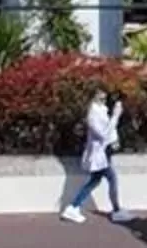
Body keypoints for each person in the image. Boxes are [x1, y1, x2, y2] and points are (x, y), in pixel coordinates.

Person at [58, 89, 121, 224]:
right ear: (94, 97)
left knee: (95, 181)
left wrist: (114, 140)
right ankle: (116, 211)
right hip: (99, 155)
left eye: (105, 98)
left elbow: (109, 130)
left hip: (103, 153)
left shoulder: (102, 110)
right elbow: (103, 133)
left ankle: (73, 207)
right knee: (111, 179)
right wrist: (115, 116)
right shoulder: (93, 115)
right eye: (100, 98)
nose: (104, 100)